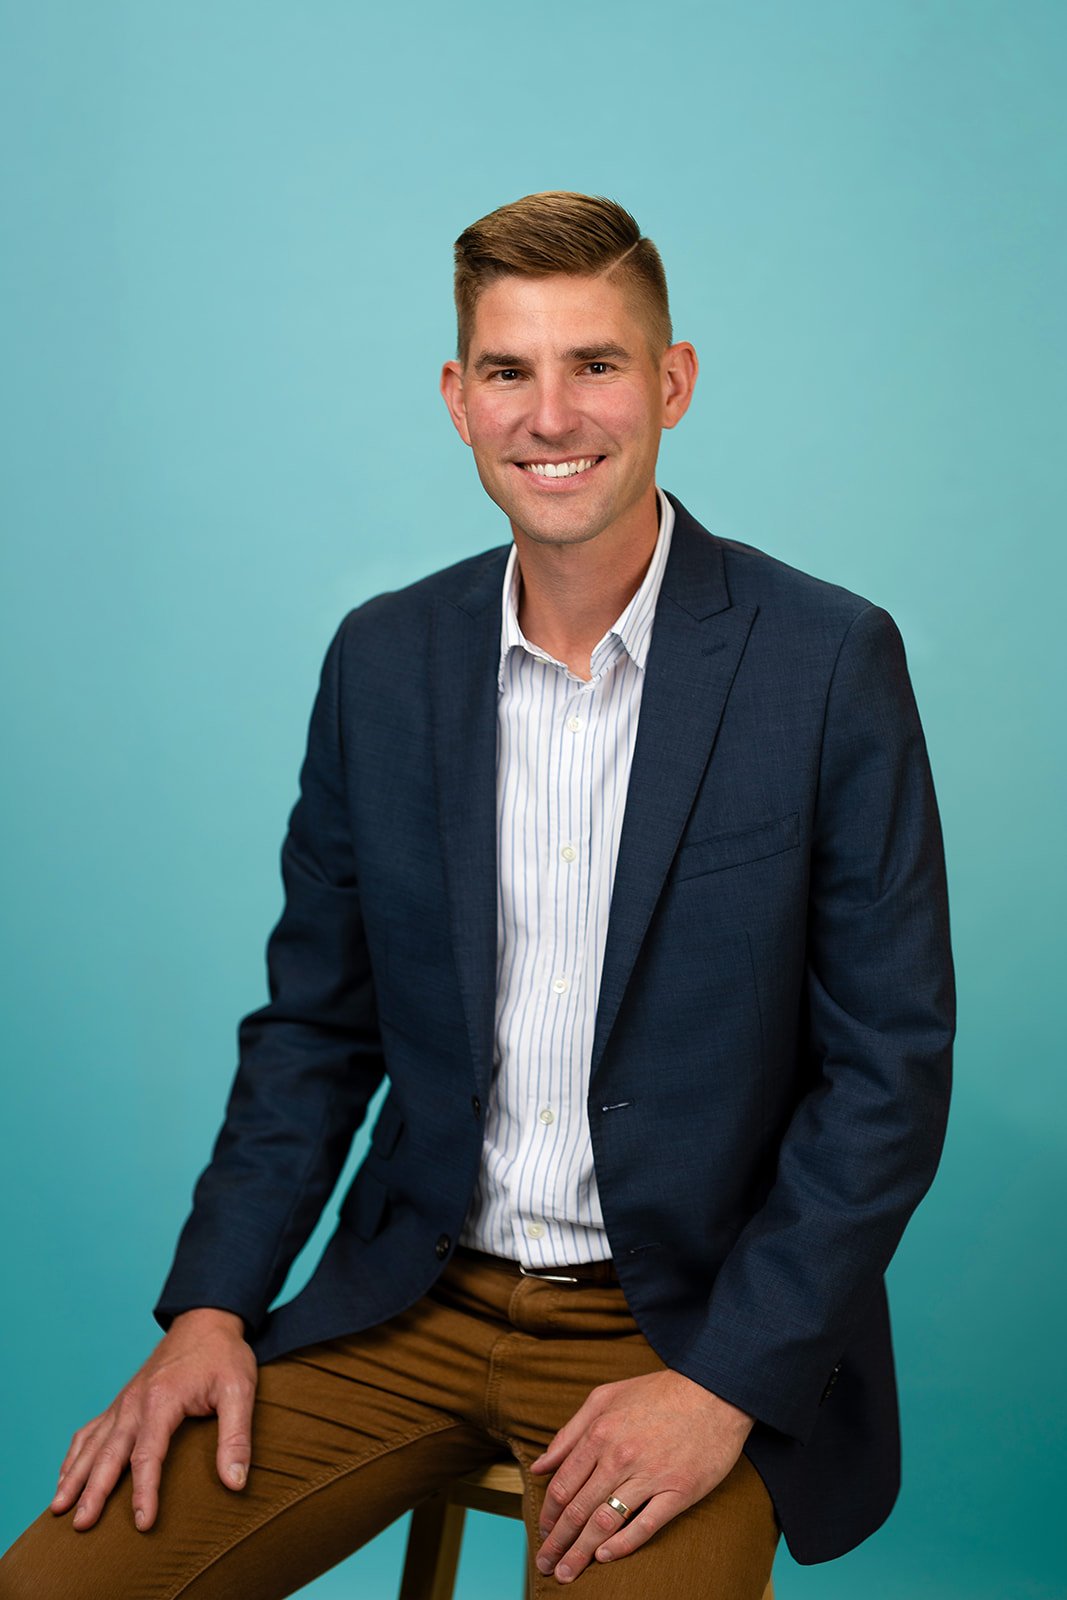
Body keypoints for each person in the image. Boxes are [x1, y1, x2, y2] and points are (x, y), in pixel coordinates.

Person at [0, 192, 954, 1599]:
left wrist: (726, 1384)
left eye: (598, 365)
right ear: (458, 400)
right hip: (410, 1302)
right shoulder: (382, 663)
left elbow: (887, 1076)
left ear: (674, 383)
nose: (551, 414)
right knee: (55, 1586)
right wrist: (210, 1308)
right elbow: (315, 1033)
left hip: (683, 1324)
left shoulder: (825, 662)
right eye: (510, 370)